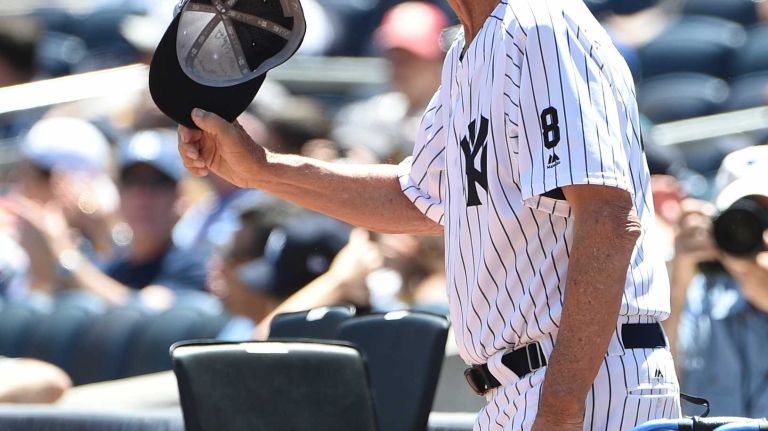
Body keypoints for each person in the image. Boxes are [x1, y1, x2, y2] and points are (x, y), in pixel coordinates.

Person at [176, 0, 679, 429]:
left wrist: (561, 408)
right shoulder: (468, 50)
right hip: (524, 388)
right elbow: (415, 197)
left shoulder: (542, 24)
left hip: (582, 381)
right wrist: (261, 169)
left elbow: (609, 218)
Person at [669, 145, 768, 417]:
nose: (759, 232)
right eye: (746, 216)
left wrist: (749, 271)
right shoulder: (699, 293)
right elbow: (657, 377)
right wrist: (678, 275)